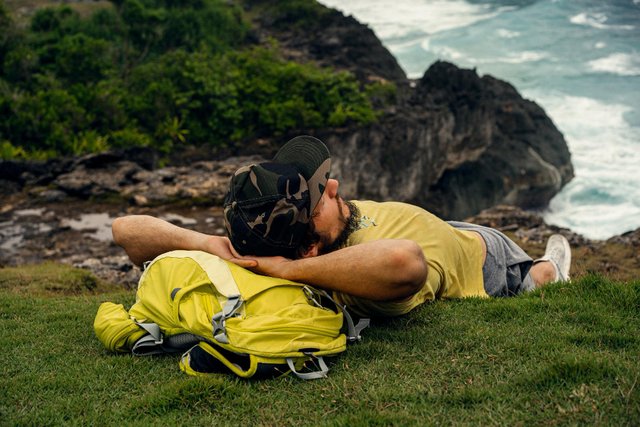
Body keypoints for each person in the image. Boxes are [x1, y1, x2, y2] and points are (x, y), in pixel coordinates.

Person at [112, 135, 571, 317]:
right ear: (309, 251)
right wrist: (287, 272)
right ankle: (542, 275)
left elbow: (125, 229)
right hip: (484, 260)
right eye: (321, 198)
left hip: (440, 226)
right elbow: (404, 261)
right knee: (537, 271)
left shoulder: (265, 235)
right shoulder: (350, 276)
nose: (332, 185)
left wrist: (211, 243)